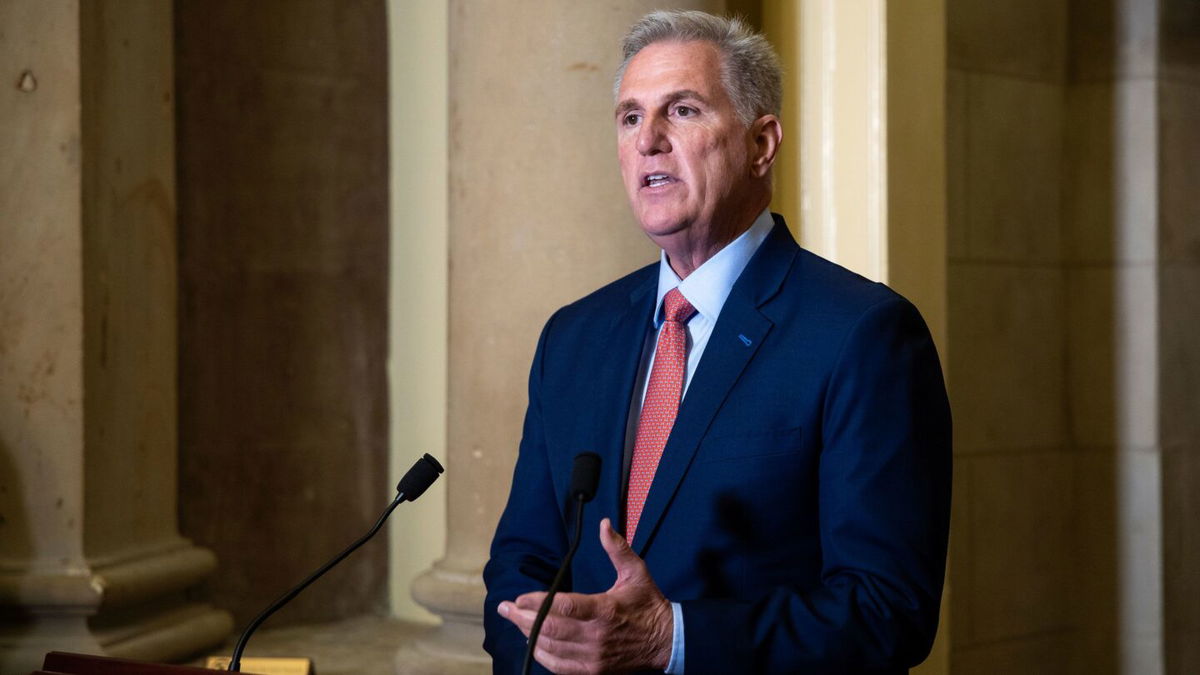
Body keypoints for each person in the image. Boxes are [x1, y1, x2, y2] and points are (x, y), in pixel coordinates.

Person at [483, 10, 951, 674]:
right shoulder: (574, 337)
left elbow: (887, 610)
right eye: (629, 117)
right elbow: (519, 566)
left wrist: (669, 639)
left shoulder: (863, 335)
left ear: (761, 144)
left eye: (682, 111)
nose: (649, 140)